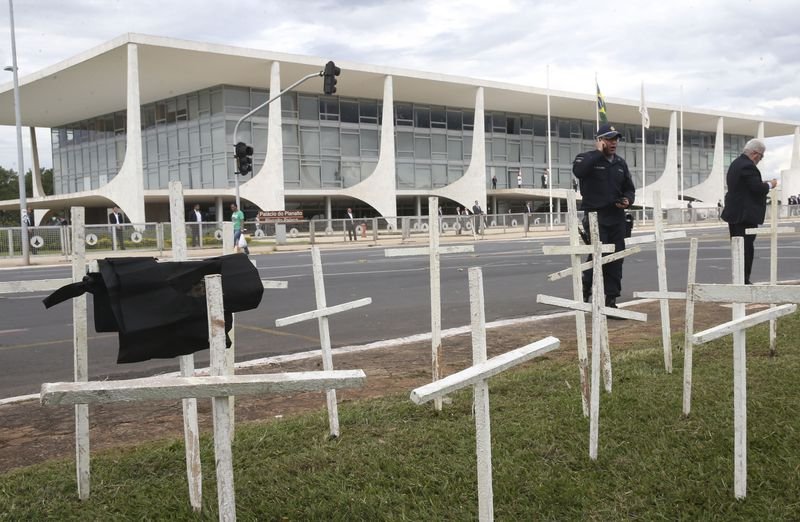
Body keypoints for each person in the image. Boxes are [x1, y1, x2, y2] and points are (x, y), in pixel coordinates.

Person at [572, 123, 636, 310]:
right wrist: (598, 153)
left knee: (616, 258)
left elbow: (629, 189)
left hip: (617, 217)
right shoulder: (586, 158)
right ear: (599, 141)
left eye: (616, 138)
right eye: (609, 138)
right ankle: (586, 290)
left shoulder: (620, 163)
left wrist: (627, 200)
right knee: (598, 256)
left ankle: (611, 300)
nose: (614, 142)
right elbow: (579, 171)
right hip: (595, 217)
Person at [720, 138, 777, 285]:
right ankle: (743, 280)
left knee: (737, 248)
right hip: (744, 216)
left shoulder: (735, 164)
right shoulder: (748, 166)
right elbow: (757, 188)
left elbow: (745, 187)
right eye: (761, 156)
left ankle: (739, 278)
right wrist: (770, 184)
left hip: (734, 214)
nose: (760, 160)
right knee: (746, 250)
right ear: (755, 154)